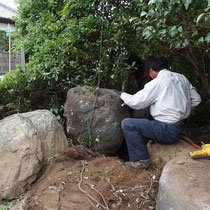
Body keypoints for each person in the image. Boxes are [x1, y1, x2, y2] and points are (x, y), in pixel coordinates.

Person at [117, 55, 201, 170]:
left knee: (128, 124)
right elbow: (196, 99)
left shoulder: (157, 82)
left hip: (167, 130)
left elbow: (136, 102)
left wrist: (121, 94)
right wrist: (183, 110)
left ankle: (141, 161)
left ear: (151, 69)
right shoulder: (181, 78)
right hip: (180, 126)